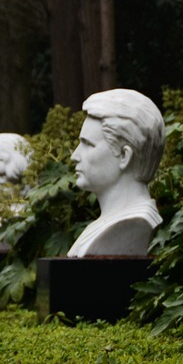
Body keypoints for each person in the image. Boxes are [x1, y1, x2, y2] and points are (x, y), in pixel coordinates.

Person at [67, 88, 165, 257]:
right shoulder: (104, 224)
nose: (74, 156)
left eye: (88, 144)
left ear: (124, 156)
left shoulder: (134, 222)